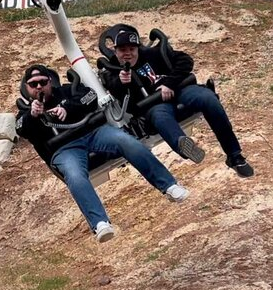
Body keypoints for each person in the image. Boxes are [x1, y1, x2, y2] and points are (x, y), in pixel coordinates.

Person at [16, 64, 190, 243]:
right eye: (33, 84)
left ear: (50, 82)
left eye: (42, 82)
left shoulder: (69, 91)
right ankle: (100, 223)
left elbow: (90, 97)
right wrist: (34, 115)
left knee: (127, 141)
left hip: (93, 134)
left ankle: (169, 185)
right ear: (27, 88)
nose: (39, 87)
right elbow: (22, 129)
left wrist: (67, 108)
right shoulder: (25, 113)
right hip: (65, 149)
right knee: (74, 175)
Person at [101, 25, 254, 177]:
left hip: (179, 90)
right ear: (115, 51)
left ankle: (235, 156)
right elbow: (119, 93)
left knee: (207, 98)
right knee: (160, 118)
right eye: (122, 50)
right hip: (154, 105)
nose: (127, 54)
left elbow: (186, 60)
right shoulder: (113, 72)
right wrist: (123, 82)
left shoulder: (154, 54)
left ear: (137, 49)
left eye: (131, 50)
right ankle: (184, 145)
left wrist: (169, 83)